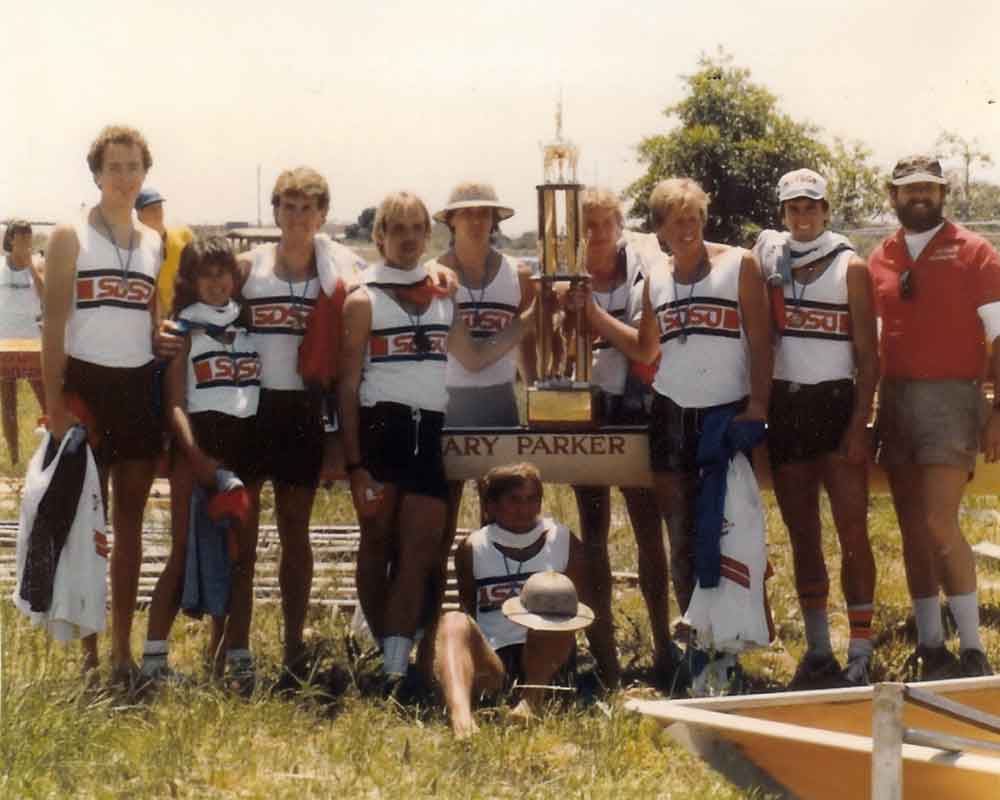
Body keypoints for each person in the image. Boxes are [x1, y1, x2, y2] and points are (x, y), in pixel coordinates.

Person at [338, 191, 532, 687]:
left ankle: (396, 665)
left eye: (415, 230)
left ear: (428, 235)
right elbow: (345, 386)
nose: (406, 239)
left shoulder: (443, 293)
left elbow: (475, 356)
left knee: (422, 546)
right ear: (379, 237)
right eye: (395, 230)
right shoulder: (363, 298)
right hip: (381, 429)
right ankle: (384, 649)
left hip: (429, 431)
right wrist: (355, 464)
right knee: (377, 543)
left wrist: (533, 318)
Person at [580, 178, 772, 660]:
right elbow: (646, 348)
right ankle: (698, 649)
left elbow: (764, 341)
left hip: (726, 415)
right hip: (670, 415)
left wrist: (759, 406)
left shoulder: (739, 264)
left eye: (694, 218)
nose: (686, 229)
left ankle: (739, 642)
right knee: (681, 534)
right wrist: (593, 316)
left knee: (733, 531)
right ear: (659, 228)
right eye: (675, 220)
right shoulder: (657, 277)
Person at [42, 124, 164, 682]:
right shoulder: (71, 235)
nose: (122, 176)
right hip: (87, 388)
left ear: (144, 172)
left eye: (131, 166)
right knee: (91, 526)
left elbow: (149, 321)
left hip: (138, 388)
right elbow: (55, 326)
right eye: (112, 167)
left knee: (131, 526)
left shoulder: (155, 240)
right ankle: (90, 657)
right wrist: (57, 403)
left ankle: (122, 651)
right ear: (96, 174)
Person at [868, 155, 998, 679]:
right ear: (892, 195)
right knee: (910, 529)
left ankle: (973, 649)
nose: (918, 195)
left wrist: (996, 411)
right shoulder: (880, 256)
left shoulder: (976, 252)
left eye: (928, 187)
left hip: (952, 398)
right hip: (894, 398)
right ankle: (930, 644)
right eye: (908, 188)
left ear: (943, 193)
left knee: (938, 521)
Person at [234, 166, 363, 688]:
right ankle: (237, 647)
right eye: (288, 205)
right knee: (240, 536)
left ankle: (292, 643)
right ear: (275, 212)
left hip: (303, 412)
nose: (297, 215)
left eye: (308, 206)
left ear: (323, 215)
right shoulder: (248, 268)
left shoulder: (338, 273)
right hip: (249, 410)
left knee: (295, 532)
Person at [752, 169, 879, 687]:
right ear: (783, 214)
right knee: (802, 533)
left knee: (852, 530)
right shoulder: (769, 264)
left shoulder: (851, 266)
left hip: (835, 405)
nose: (802, 218)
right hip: (786, 408)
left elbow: (870, 358)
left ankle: (862, 649)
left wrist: (859, 423)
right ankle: (819, 649)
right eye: (793, 209)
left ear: (826, 210)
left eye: (811, 207)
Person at [565, 188, 674, 689]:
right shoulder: (562, 273)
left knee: (648, 531)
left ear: (620, 224)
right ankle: (603, 651)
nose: (597, 235)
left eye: (605, 224)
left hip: (635, 409)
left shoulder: (645, 268)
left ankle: (662, 644)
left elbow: (643, 346)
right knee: (593, 535)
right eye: (587, 226)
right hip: (584, 410)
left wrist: (591, 318)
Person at [141, 236, 260, 689]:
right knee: (182, 552)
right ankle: (153, 658)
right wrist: (196, 458)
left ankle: (236, 655)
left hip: (244, 447)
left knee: (242, 557)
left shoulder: (247, 327)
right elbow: (175, 405)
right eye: (206, 274)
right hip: (198, 450)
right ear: (190, 279)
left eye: (223, 272)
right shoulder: (183, 330)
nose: (216, 282)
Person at [426, 181, 536, 633]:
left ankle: (498, 626)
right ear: (450, 221)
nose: (476, 221)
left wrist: (534, 401)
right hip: (448, 402)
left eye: (484, 213)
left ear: (496, 221)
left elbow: (528, 355)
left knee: (501, 525)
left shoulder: (517, 274)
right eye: (466, 213)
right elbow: (470, 358)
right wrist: (532, 318)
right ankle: (435, 629)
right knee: (441, 526)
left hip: (499, 403)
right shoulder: (435, 274)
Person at [419, 462, 594, 738]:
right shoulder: (472, 547)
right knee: (454, 621)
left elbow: (581, 612)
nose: (524, 509)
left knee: (556, 597)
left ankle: (532, 701)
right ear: (491, 505)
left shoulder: (563, 539)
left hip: (549, 661)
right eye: (514, 500)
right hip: (496, 661)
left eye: (532, 500)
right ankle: (462, 721)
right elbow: (471, 607)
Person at [0, 220, 46, 464]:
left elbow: (46, 297)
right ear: (11, 240)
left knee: (45, 399)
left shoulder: (37, 263)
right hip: (4, 343)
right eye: (21, 239)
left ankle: (53, 453)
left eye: (29, 238)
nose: (26, 243)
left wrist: (32, 269)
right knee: (8, 404)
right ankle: (15, 458)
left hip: (32, 343)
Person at [134, 187, 194, 316]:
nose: (157, 212)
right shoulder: (135, 247)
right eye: (151, 209)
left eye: (159, 207)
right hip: (156, 317)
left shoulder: (183, 234)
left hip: (188, 311)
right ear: (139, 213)